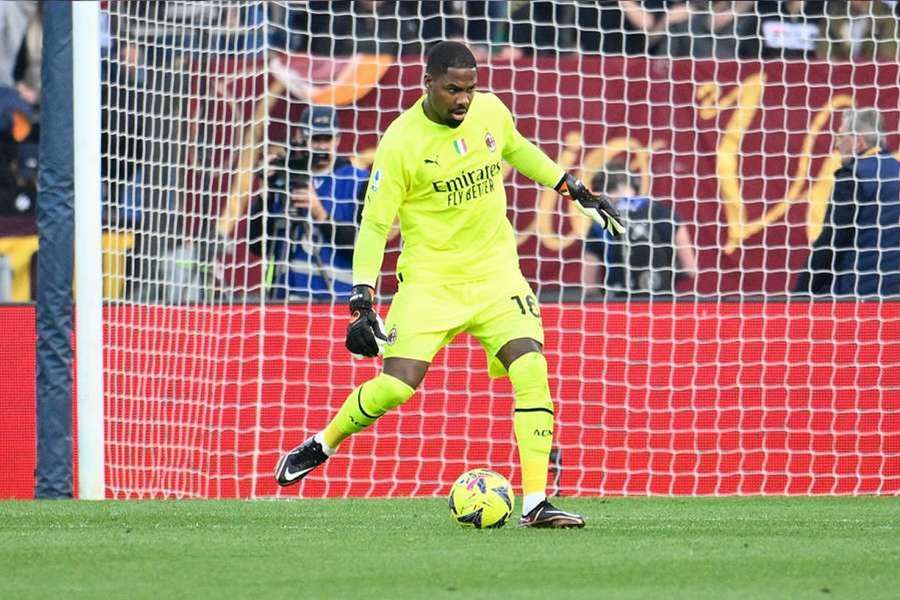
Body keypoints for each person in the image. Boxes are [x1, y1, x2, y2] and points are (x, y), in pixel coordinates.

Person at [274, 41, 623, 528]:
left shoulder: (490, 112)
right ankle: (322, 443)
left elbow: (517, 147)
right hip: (430, 283)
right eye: (452, 89)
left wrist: (570, 185)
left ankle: (536, 502)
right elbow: (375, 224)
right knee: (396, 387)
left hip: (497, 274)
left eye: (470, 89)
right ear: (428, 85)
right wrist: (361, 298)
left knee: (532, 372)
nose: (463, 99)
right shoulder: (401, 143)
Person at [249, 105, 368, 300]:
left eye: (327, 138)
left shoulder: (359, 182)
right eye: (315, 138)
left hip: (337, 301)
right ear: (301, 137)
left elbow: (364, 251)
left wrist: (320, 214)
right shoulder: (286, 176)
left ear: (337, 138)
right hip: (284, 301)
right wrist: (266, 193)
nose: (321, 146)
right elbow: (256, 245)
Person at [794, 108, 900, 297]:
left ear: (858, 141)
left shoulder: (854, 175)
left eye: (841, 136)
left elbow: (833, 239)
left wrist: (801, 292)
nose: (836, 144)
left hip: (858, 293)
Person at [583, 164, 696, 297]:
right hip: (661, 302)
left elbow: (589, 285)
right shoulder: (665, 215)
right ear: (634, 186)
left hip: (617, 306)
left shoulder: (600, 224)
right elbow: (690, 269)